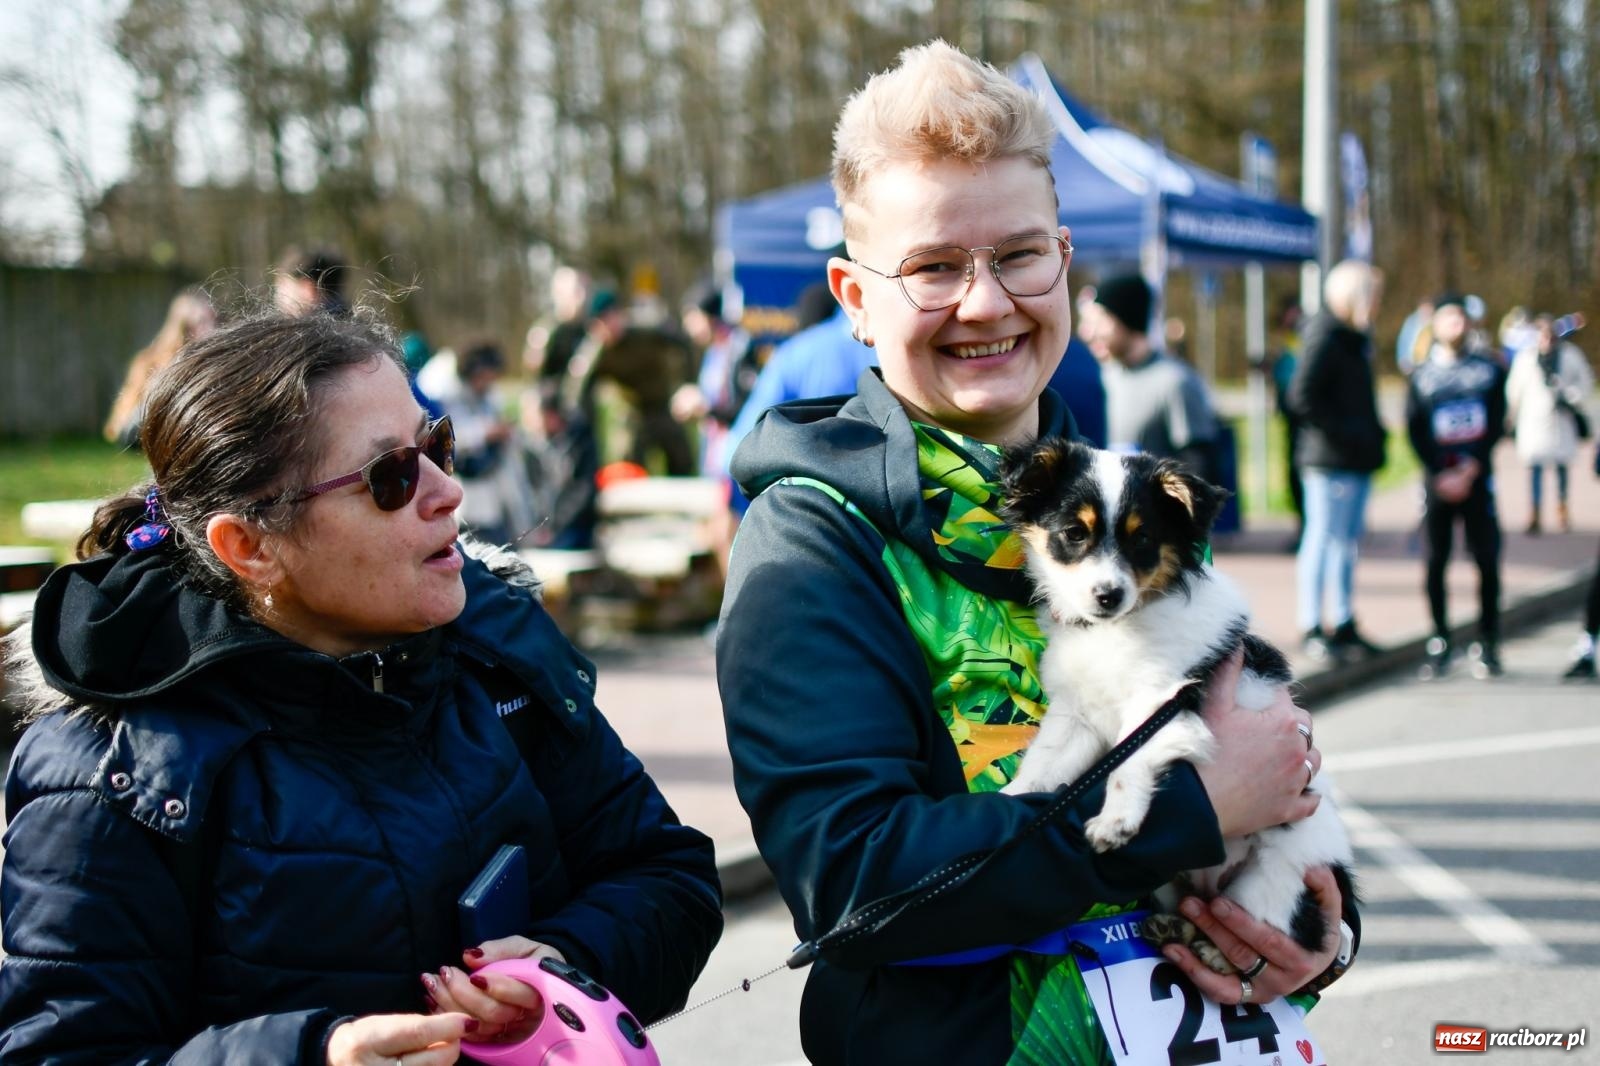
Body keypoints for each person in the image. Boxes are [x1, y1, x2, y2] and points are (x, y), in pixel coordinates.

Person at [716, 41, 1354, 1065]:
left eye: (1017, 255)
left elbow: (1261, 764)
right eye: (933, 267)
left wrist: (1319, 931)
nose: (985, 302)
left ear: (1062, 259)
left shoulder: (1120, 500)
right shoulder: (810, 541)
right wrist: (1187, 811)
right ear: (854, 298)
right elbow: (853, 882)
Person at [0, 312, 722, 1061]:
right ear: (249, 546)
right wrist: (315, 1055)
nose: (448, 491)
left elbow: (667, 875)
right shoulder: (119, 769)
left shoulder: (496, 647)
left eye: (436, 446)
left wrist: (565, 966)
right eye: (391, 477)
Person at [1286, 261, 1387, 663]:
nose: (1377, 304)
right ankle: (1312, 623)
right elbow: (1301, 396)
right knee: (1322, 540)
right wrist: (1347, 433)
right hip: (1329, 460)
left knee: (1345, 544)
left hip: (1352, 458)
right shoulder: (1325, 336)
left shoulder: (1352, 338)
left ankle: (1343, 621)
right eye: (1373, 295)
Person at [1407, 292, 1510, 680]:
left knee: (1486, 558)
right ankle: (1440, 641)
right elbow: (1414, 428)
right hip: (1437, 482)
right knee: (1436, 560)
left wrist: (1470, 468)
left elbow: (1497, 420)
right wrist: (1440, 473)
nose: (1456, 324)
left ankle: (1489, 641)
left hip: (1477, 479)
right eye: (1449, 317)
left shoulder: (1488, 370)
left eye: (1462, 317)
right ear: (1434, 324)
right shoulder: (1421, 375)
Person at [1082, 272, 1222, 483]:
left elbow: (1199, 467)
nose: (1089, 333)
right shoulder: (1102, 378)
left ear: (1127, 319)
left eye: (1102, 321)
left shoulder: (1175, 382)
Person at [1506, 313, 1594, 535]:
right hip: (1533, 421)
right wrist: (1511, 415)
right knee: (1535, 467)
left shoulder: (1570, 356)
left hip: (1560, 420)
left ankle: (1562, 510)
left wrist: (1571, 396)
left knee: (1561, 467)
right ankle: (1535, 512)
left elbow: (1585, 381)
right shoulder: (1526, 358)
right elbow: (1514, 389)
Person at [103, 287, 217, 449]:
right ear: (184, 326)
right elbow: (124, 415)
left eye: (213, 319)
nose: (211, 329)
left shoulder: (215, 359)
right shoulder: (152, 361)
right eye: (201, 322)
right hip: (142, 431)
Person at [273, 245, 351, 317]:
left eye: (281, 283)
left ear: (308, 288)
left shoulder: (294, 325)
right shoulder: (352, 322)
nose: (276, 295)